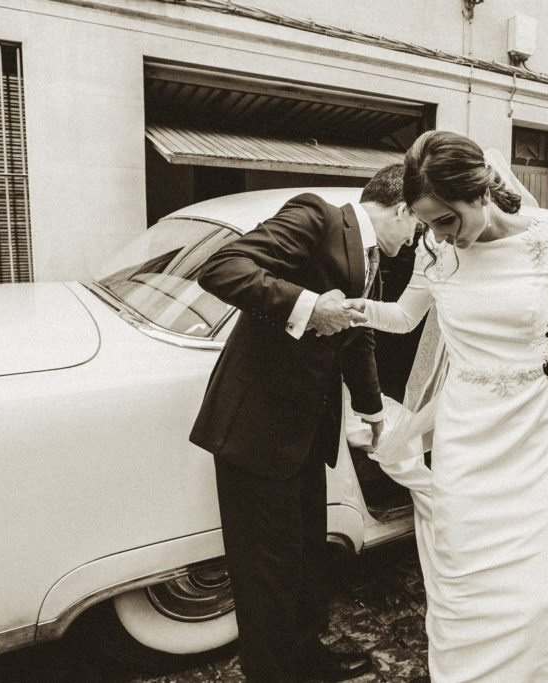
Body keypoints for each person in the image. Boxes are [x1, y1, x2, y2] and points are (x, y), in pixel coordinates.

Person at [344, 130, 548, 682]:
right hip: (464, 434)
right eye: (428, 223)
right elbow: (406, 318)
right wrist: (350, 309)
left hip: (532, 436)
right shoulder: (435, 250)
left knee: (531, 590)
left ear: (480, 192)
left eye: (448, 219)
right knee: (462, 578)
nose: (439, 234)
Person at [189, 164, 421, 682]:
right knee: (263, 570)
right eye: (416, 226)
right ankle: (272, 673)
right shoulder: (316, 216)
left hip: (304, 434)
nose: (413, 241)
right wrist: (309, 307)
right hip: (255, 428)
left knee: (304, 558)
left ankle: (304, 655)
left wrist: (372, 407)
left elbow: (356, 332)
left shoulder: (368, 258)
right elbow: (223, 267)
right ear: (402, 208)